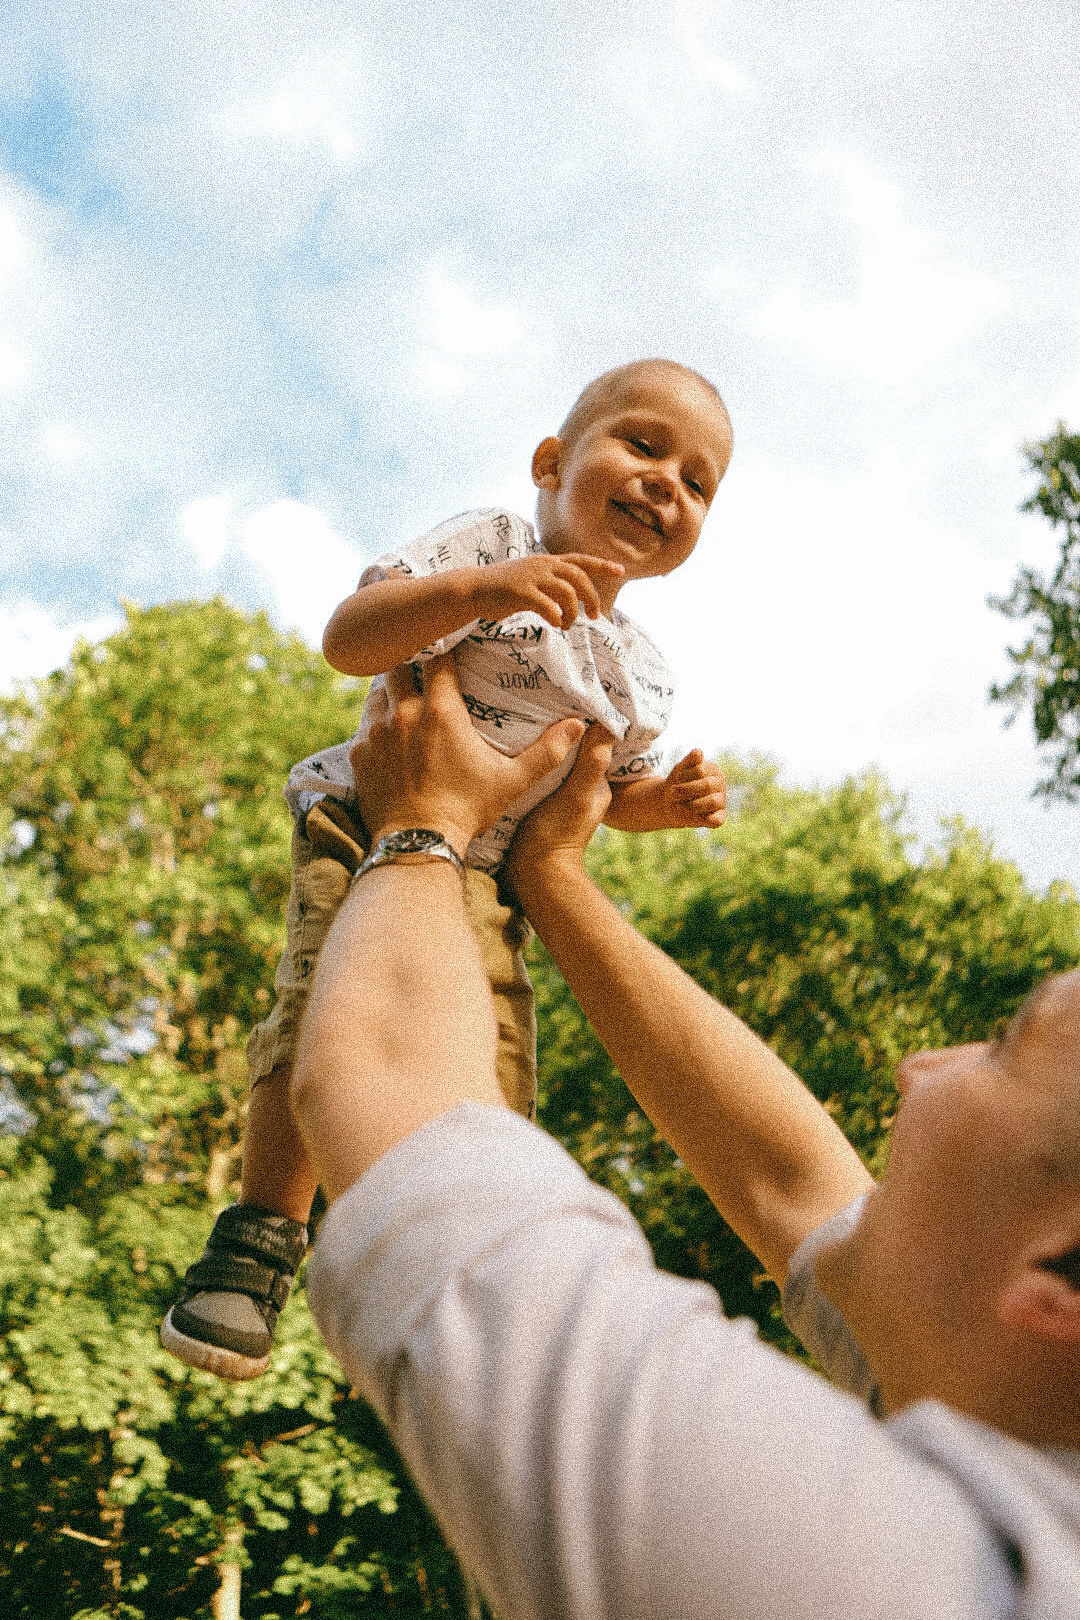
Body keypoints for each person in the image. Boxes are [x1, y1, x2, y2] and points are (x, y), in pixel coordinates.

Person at [292, 657, 1080, 1620]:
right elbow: (786, 1178)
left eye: (1003, 1048)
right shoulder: (1032, 1405)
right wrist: (549, 874)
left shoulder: (891, 1577)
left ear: (1052, 1285)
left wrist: (423, 823)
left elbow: (388, 1093)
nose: (921, 1064)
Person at [161, 358, 734, 1379]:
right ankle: (258, 1239)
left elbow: (606, 794)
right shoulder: (490, 543)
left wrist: (667, 805)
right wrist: (481, 592)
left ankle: (473, 1287)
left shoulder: (642, 670)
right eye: (642, 446)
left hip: (490, 885)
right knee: (327, 1008)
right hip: (370, 819)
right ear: (551, 465)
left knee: (493, 1057)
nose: (665, 485)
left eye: (697, 483)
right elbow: (349, 639)